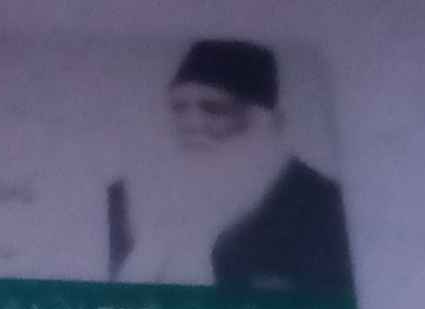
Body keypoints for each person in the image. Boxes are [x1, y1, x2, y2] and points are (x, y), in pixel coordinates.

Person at [109, 39, 356, 294]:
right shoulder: (123, 197)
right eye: (179, 107)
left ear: (260, 119)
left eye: (214, 109)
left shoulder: (321, 202)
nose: (192, 123)